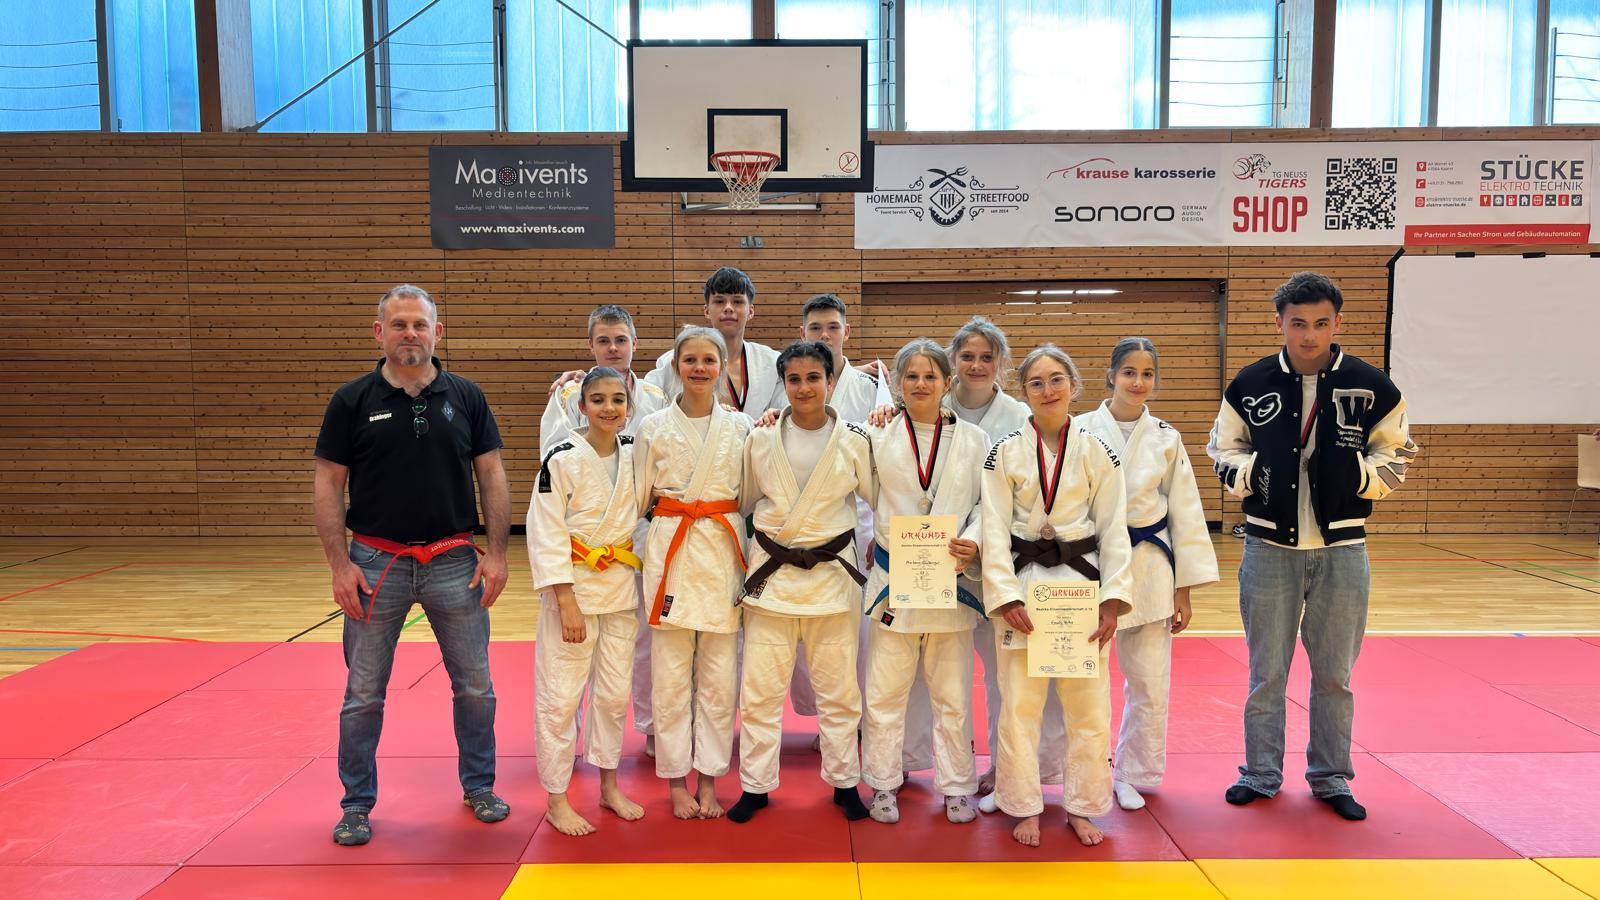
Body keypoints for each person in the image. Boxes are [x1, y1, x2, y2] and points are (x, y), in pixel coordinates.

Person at [1207, 271, 1418, 821]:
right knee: (1266, 674)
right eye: (1298, 323)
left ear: (1337, 323)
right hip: (1268, 549)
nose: (1309, 335)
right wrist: (1251, 475)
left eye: (1321, 324)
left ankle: (1330, 776)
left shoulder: (1372, 385)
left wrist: (1361, 479)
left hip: (1343, 550)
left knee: (1333, 676)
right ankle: (1260, 773)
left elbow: (1397, 452)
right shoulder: (1250, 383)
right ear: (1279, 323)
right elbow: (1222, 448)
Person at [313, 284, 511, 847]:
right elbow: (328, 483)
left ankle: (480, 786)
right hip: (376, 562)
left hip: (454, 561)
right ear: (379, 333)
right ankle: (356, 804)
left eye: (420, 324)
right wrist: (339, 565)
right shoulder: (352, 400)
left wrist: (498, 553)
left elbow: (492, 474)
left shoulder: (466, 396)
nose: (410, 334)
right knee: (363, 693)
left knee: (476, 687)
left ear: (437, 332)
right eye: (398, 324)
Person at [980, 344, 1133, 848]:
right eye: (1036, 383)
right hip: (1024, 590)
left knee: (1088, 708)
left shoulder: (1097, 450)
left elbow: (1113, 528)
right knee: (1019, 706)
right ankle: (1023, 805)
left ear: (1074, 385)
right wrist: (1004, 596)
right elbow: (993, 528)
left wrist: (1112, 600)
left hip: (1081, 590)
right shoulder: (1004, 451)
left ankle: (1083, 806)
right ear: (1023, 392)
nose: (1048, 391)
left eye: (1056, 380)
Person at [728, 341, 875, 824]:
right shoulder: (761, 439)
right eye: (794, 379)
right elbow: (746, 502)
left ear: (831, 381)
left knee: (840, 692)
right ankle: (755, 786)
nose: (805, 387)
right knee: (761, 692)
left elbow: (877, 498)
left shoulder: (855, 439)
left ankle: (845, 783)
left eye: (814, 377)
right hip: (772, 580)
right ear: (784, 384)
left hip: (832, 579)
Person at [1080, 337, 1219, 811]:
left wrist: (1185, 591)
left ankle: (1131, 773)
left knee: (1149, 680)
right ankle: (1087, 770)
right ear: (1111, 375)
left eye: (1147, 374)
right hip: (1091, 563)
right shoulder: (1080, 429)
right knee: (1083, 680)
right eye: (1129, 372)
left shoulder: (1165, 437)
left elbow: (1186, 512)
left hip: (1150, 563)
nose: (1138, 382)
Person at [859, 338, 987, 825]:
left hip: (950, 582)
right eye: (910, 376)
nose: (920, 384)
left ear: (947, 382)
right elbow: (861, 492)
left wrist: (973, 540)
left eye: (930, 376)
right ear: (897, 383)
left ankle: (957, 787)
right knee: (885, 693)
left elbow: (987, 505)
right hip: (895, 580)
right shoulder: (877, 435)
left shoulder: (974, 440)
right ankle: (883, 783)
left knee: (952, 695)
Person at [633, 326, 752, 820]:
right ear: (676, 365)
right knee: (670, 677)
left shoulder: (742, 427)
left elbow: (749, 494)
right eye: (690, 360)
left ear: (723, 366)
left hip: (721, 548)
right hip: (673, 549)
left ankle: (709, 778)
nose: (700, 368)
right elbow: (639, 495)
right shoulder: (653, 426)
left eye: (709, 360)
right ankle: (676, 782)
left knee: (720, 678)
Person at [541, 304, 669, 757]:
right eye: (603, 341)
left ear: (635, 344)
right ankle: (569, 738)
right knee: (570, 654)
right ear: (590, 345)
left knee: (641, 643)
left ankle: (648, 727)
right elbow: (553, 464)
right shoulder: (568, 393)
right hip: (584, 540)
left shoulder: (654, 395)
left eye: (620, 340)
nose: (613, 348)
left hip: (639, 535)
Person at [528, 368, 647, 836]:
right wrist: (565, 600)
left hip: (619, 588)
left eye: (618, 400)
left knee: (613, 696)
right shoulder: (560, 458)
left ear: (629, 407)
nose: (608, 408)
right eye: (598, 400)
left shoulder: (636, 452)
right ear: (581, 406)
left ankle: (609, 786)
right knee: (561, 697)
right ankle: (556, 799)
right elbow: (545, 531)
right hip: (573, 590)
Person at [648, 267, 784, 417]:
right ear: (706, 310)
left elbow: (787, 412)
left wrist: (776, 415)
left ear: (750, 311)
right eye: (719, 301)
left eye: (737, 301)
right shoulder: (675, 361)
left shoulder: (772, 362)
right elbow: (648, 406)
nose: (728, 308)